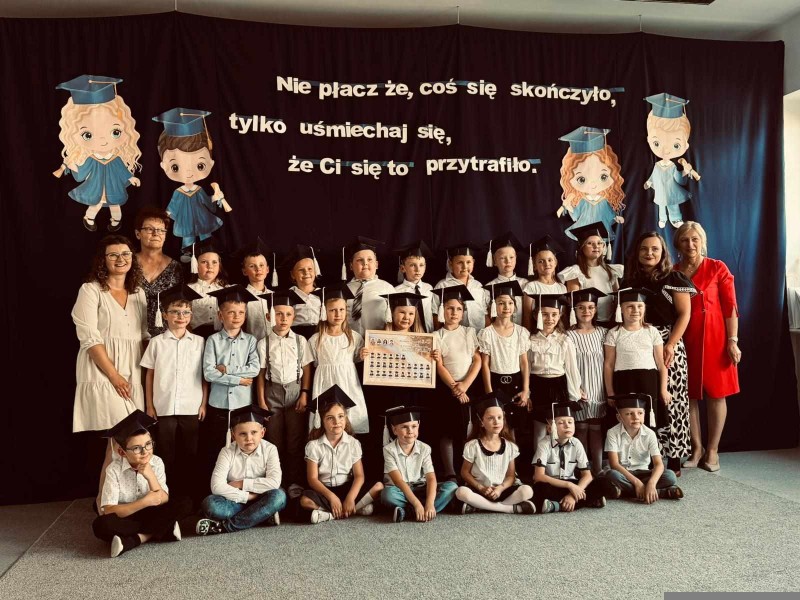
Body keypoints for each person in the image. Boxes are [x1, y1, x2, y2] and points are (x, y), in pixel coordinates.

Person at [73, 235, 149, 505]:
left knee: (120, 444)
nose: (120, 259)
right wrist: (115, 376)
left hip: (133, 371)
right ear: (103, 260)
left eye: (126, 254)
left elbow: (143, 336)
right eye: (113, 255)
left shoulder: (138, 293)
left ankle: (107, 501)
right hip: (103, 370)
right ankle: (106, 504)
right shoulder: (91, 290)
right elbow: (90, 339)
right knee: (122, 440)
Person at [623, 231, 695, 474]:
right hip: (639, 343)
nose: (649, 253)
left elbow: (685, 314)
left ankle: (673, 457)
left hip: (667, 342)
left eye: (655, 249)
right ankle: (648, 457)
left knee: (670, 400)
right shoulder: (629, 281)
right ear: (637, 252)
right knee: (647, 400)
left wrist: (671, 344)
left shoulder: (674, 277)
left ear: (663, 252)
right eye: (644, 248)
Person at [673, 222, 741, 472]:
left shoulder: (717, 267)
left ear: (702, 242)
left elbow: (730, 306)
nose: (690, 244)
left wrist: (732, 340)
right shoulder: (673, 271)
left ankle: (712, 450)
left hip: (715, 337)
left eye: (695, 239)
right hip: (684, 337)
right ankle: (697, 448)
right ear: (678, 244)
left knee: (716, 393)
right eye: (685, 240)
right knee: (688, 394)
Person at [140, 283, 207, 501]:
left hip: (191, 406)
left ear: (191, 315)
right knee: (166, 452)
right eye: (175, 312)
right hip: (164, 406)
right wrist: (150, 405)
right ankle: (167, 494)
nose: (181, 316)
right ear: (164, 315)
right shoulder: (157, 343)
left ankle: (188, 497)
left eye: (186, 312)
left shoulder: (199, 342)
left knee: (190, 452)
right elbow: (149, 375)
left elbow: (204, 376)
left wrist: (203, 403)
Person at [92, 411, 189, 558]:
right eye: (137, 448)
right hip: (125, 515)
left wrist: (151, 477)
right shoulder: (113, 470)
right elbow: (110, 510)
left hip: (152, 512)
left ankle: (135, 539)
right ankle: (163, 530)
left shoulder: (156, 462)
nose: (145, 452)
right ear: (122, 452)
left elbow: (163, 499)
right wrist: (145, 502)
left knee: (185, 503)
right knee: (101, 525)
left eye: (148, 444)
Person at [54, 75, 142, 232]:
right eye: (87, 135)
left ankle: (116, 221)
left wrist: (131, 177)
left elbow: (123, 171)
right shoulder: (91, 159)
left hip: (113, 188)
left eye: (115, 132)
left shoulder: (116, 158)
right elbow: (81, 173)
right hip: (96, 189)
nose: (103, 141)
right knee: (96, 204)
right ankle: (89, 218)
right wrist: (71, 165)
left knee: (115, 205)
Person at [200, 285, 261, 486]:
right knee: (217, 448)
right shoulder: (213, 340)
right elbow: (209, 373)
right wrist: (238, 380)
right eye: (231, 312)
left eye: (241, 312)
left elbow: (254, 369)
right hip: (218, 404)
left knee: (242, 448)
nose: (236, 317)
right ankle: (216, 487)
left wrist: (226, 369)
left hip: (242, 404)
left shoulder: (250, 341)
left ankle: (239, 486)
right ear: (220, 315)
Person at [196, 405, 286, 535]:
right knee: (211, 505)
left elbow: (274, 482)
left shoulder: (270, 449)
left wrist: (241, 483)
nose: (249, 438)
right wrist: (249, 497)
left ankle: (225, 527)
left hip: (263, 498)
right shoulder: (227, 451)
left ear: (262, 433)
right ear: (233, 435)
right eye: (243, 434)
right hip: (235, 500)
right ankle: (261, 516)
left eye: (254, 432)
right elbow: (216, 486)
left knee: (278, 497)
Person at [255, 289, 312, 495]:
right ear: (269, 316)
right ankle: (276, 483)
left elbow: (306, 368)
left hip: (295, 392)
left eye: (288, 314)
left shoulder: (300, 341)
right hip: (272, 394)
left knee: (295, 441)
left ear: (293, 317)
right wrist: (262, 401)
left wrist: (304, 393)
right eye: (278, 314)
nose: (283, 319)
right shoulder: (263, 343)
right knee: (275, 441)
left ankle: (294, 481)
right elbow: (261, 374)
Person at [300, 386, 384, 523]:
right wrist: (332, 497)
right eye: (330, 418)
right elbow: (313, 479)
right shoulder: (313, 446)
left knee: (378, 486)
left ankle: (330, 513)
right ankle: (351, 510)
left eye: (340, 416)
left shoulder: (353, 443)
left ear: (346, 418)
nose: (337, 422)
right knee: (305, 500)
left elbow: (359, 476)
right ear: (321, 420)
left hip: (347, 488)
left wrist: (350, 497)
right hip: (324, 490)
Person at [153, 107, 225, 262]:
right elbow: (172, 207)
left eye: (200, 165)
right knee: (187, 235)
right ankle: (187, 252)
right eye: (175, 167)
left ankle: (208, 249)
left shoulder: (199, 190)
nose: (188, 172)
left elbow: (207, 203)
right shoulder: (178, 192)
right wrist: (166, 216)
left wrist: (215, 198)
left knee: (205, 233)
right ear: (163, 166)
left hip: (201, 217)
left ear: (211, 163)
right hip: (186, 219)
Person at [455, 391, 535, 514]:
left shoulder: (510, 446)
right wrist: (481, 488)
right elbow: (464, 472)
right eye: (490, 418)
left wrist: (500, 489)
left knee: (527, 491)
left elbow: (510, 476)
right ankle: (510, 509)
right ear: (481, 422)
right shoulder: (473, 445)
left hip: (501, 490)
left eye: (499, 417)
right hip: (480, 489)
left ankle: (481, 506)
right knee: (461, 492)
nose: (496, 422)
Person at [604, 288, 670, 435]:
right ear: (621, 309)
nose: (635, 310)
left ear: (644, 308)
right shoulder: (614, 333)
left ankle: (649, 449)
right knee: (627, 420)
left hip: (649, 381)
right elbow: (608, 364)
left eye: (639, 306)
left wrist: (663, 389)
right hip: (624, 381)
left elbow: (661, 364)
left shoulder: (651, 331)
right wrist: (610, 392)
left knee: (648, 421)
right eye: (630, 306)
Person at [306, 284, 369, 435]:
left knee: (348, 418)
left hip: (348, 382)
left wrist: (364, 355)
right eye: (332, 310)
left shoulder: (354, 337)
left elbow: (357, 359)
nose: (338, 314)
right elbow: (312, 363)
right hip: (325, 382)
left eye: (341, 310)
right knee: (327, 417)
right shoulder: (316, 339)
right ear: (324, 311)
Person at [434, 286, 482, 480]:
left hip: (469, 387)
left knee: (467, 431)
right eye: (449, 308)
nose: (454, 313)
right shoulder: (437, 335)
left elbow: (477, 360)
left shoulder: (469, 332)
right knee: (447, 432)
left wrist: (465, 386)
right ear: (442, 310)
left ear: (463, 313)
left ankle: (467, 471)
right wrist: (456, 388)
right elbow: (439, 365)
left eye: (458, 309)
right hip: (447, 389)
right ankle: (450, 472)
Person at [599, 393, 683, 502]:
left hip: (644, 473)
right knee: (611, 475)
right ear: (619, 417)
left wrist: (652, 483)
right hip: (623, 473)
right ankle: (659, 492)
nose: (636, 417)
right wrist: (637, 483)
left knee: (670, 476)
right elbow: (614, 464)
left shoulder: (650, 434)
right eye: (629, 414)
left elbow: (658, 464)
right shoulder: (612, 433)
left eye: (640, 413)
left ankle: (624, 492)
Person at [380, 406, 458, 522]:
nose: (410, 431)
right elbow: (398, 481)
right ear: (394, 429)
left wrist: (430, 503)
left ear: (419, 426)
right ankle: (422, 510)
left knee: (451, 487)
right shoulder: (389, 450)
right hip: (401, 490)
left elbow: (431, 478)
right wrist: (416, 504)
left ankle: (410, 511)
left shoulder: (425, 448)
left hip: (422, 488)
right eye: (404, 427)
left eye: (414, 426)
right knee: (387, 494)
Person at [527, 294, 582, 452]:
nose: (549, 319)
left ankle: (559, 462)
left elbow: (571, 368)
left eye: (554, 314)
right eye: (544, 314)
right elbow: (527, 368)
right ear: (536, 315)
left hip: (558, 385)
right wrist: (528, 393)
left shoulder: (564, 340)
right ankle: (539, 463)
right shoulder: (530, 340)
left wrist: (574, 393)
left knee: (559, 429)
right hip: (538, 386)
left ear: (560, 315)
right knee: (539, 429)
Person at [531, 401, 608, 513]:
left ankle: (555, 506)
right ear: (549, 428)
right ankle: (587, 501)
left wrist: (572, 495)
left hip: (572, 484)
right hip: (553, 484)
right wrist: (569, 485)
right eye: (561, 423)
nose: (567, 425)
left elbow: (587, 475)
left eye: (570, 422)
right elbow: (539, 476)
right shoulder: (544, 444)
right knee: (539, 489)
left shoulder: (576, 443)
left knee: (604, 483)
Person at [478, 281, 531, 436]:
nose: (506, 307)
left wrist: (526, 390)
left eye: (510, 303)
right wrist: (489, 392)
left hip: (516, 383)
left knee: (514, 427)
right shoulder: (487, 333)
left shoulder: (521, 332)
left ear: (515, 306)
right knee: (497, 426)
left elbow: (524, 363)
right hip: (495, 382)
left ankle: (513, 452)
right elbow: (485, 364)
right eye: (501, 303)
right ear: (494, 306)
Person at [557, 126, 625, 244]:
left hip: (602, 229)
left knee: (600, 244)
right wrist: (568, 206)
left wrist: (616, 217)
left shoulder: (604, 200)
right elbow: (575, 215)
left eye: (603, 177)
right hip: (584, 228)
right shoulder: (582, 201)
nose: (593, 184)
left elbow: (609, 214)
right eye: (581, 179)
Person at [566, 287, 609, 475]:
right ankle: (584, 469)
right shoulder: (569, 335)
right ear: (574, 310)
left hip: (598, 387)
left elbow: (608, 362)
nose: (586, 311)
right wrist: (575, 389)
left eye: (591, 307)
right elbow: (568, 365)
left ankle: (598, 469)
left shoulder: (603, 333)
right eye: (581, 307)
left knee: (596, 429)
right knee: (581, 429)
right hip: (580, 388)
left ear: (596, 309)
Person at [643, 93, 697, 229]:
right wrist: (649, 182)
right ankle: (662, 218)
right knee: (661, 205)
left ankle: (675, 218)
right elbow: (654, 175)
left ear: (686, 145)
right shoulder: (657, 165)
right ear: (649, 140)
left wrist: (685, 172)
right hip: (661, 190)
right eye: (657, 143)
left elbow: (678, 179)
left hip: (671, 190)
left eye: (676, 145)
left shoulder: (672, 166)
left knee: (672, 204)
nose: (666, 150)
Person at [559, 221, 623, 326]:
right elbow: (574, 302)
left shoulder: (611, 271)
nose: (596, 246)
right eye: (589, 243)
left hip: (610, 322)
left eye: (599, 243)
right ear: (582, 247)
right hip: (587, 324)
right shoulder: (575, 272)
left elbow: (617, 298)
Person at [134, 206, 183, 337]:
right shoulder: (127, 263)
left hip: (165, 337)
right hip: (131, 333)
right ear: (138, 234)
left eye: (161, 230)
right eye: (149, 229)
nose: (156, 233)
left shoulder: (176, 268)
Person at [343, 236, 395, 337]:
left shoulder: (387, 288)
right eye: (359, 260)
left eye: (370, 259)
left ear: (377, 264)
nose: (365, 263)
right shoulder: (343, 290)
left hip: (377, 340)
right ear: (351, 266)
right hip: (349, 340)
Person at [431, 243, 486, 331]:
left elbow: (485, 313)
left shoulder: (478, 286)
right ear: (450, 263)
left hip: (478, 332)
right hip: (454, 334)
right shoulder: (442, 285)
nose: (465, 266)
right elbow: (435, 314)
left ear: (473, 262)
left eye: (468, 262)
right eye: (460, 262)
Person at [483, 232, 529, 326]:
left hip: (521, 331)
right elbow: (487, 315)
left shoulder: (525, 284)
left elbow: (528, 313)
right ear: (494, 261)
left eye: (511, 257)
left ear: (516, 259)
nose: (508, 261)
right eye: (502, 258)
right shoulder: (489, 287)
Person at [522, 236, 567, 330]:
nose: (546, 264)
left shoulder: (561, 287)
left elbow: (563, 315)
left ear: (555, 263)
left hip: (557, 332)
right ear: (534, 266)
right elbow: (527, 316)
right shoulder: (531, 287)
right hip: (536, 331)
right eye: (541, 261)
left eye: (550, 260)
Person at [187, 239, 228, 338]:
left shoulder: (227, 290)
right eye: (204, 262)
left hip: (222, 337)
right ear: (195, 265)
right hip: (195, 336)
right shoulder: (188, 290)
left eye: (214, 262)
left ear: (220, 266)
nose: (210, 266)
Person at [237, 238, 274, 342]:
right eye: (252, 266)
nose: (258, 269)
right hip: (252, 345)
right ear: (244, 271)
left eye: (261, 265)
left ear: (267, 269)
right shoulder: (241, 296)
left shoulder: (275, 296)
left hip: (274, 346)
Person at [393, 241, 434, 333]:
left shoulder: (429, 288)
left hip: (429, 333)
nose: (418, 269)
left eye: (421, 265)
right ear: (402, 268)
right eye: (412, 265)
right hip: (408, 335)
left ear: (425, 267)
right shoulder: (396, 291)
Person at [284, 244, 323, 339]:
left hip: (320, 335)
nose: (306, 273)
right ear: (293, 275)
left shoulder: (323, 294)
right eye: (301, 270)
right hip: (296, 336)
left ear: (315, 271)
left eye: (310, 269)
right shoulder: (288, 295)